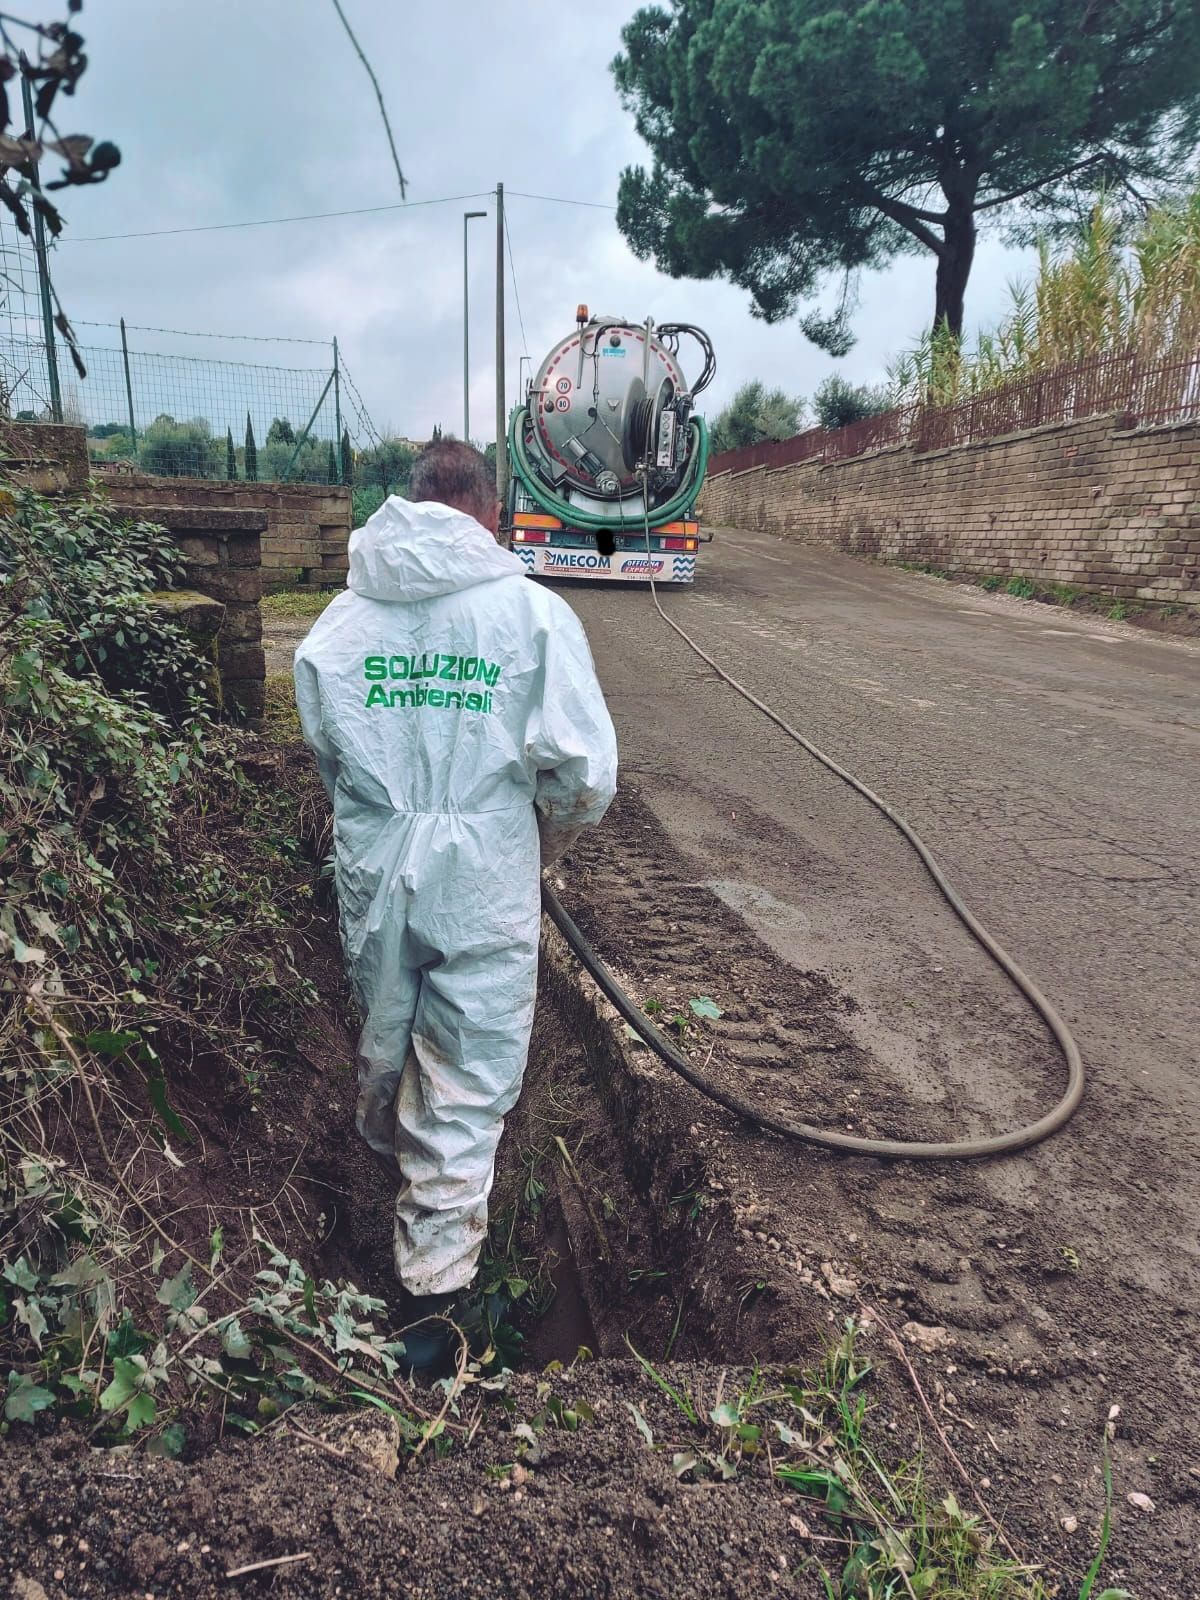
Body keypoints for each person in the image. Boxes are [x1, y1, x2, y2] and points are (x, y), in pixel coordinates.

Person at [294, 441, 617, 1373]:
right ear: (490, 513)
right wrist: (528, 841)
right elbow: (585, 780)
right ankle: (433, 1313)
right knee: (466, 1081)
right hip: (483, 869)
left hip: (375, 855)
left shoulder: (338, 625)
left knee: (386, 1030)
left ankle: (376, 1187)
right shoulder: (534, 618)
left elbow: (329, 753)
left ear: (416, 503)